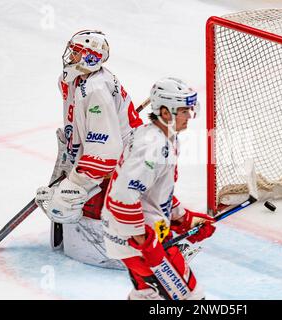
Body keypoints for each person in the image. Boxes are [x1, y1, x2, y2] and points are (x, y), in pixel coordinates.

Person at [35, 30, 142, 269]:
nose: (69, 56)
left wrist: (74, 185)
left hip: (125, 165)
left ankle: (120, 255)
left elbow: (106, 153)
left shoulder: (96, 90)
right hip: (116, 157)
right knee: (70, 202)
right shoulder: (77, 80)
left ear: (89, 57)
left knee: (79, 205)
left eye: (76, 52)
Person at [101, 77, 216, 300]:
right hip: (136, 242)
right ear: (165, 112)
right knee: (190, 297)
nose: (190, 115)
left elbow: (154, 193)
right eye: (184, 109)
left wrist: (184, 219)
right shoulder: (152, 145)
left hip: (134, 237)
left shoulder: (163, 138)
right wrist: (145, 242)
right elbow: (122, 197)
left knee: (146, 295)